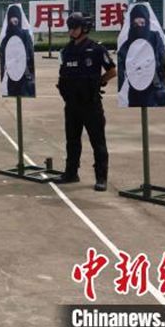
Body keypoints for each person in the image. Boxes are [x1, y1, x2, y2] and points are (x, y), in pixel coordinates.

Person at [55, 12, 117, 192]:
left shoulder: (96, 49)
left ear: (84, 28)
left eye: (75, 27)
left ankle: (101, 177)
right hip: (72, 104)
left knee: (97, 141)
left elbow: (112, 70)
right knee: (72, 140)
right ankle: (71, 172)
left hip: (91, 103)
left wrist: (99, 81)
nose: (72, 31)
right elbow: (63, 74)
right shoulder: (66, 50)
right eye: (70, 27)